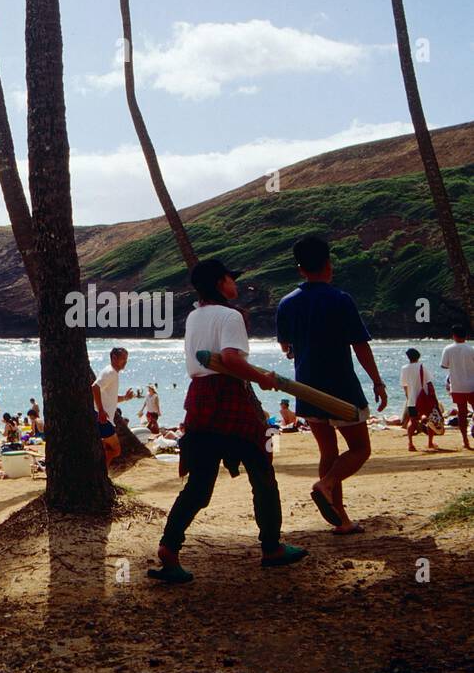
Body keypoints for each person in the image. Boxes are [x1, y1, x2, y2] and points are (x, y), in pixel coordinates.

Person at [150, 259, 306, 583]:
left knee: (199, 483)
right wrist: (262, 378)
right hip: (229, 395)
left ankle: (169, 547)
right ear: (221, 283)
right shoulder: (230, 316)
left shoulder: (194, 316)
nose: (235, 284)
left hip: (199, 398)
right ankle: (272, 547)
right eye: (230, 279)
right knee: (262, 470)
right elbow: (231, 359)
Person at [276, 235, 386, 536]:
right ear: (328, 264)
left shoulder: (287, 303)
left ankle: (341, 520)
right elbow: (360, 345)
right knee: (360, 448)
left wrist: (301, 347)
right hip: (341, 385)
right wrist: (377, 382)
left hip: (306, 387)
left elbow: (286, 346)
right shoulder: (340, 299)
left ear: (300, 269)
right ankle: (325, 485)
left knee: (328, 452)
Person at [92, 348, 132, 464]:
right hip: (103, 418)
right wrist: (101, 411)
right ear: (114, 358)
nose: (125, 362)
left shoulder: (111, 372)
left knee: (106, 449)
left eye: (126, 359)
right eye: (123, 359)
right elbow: (95, 387)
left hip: (103, 417)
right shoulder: (111, 372)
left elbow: (110, 398)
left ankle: (101, 472)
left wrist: (125, 398)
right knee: (116, 450)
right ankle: (101, 472)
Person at [440, 328, 474, 451]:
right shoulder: (471, 349)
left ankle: (465, 440)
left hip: (457, 386)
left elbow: (444, 365)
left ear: (453, 336)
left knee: (462, 413)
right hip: (472, 385)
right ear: (466, 336)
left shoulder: (448, 349)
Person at [400, 348, 439, 453]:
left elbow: (404, 385)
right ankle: (430, 442)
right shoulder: (423, 367)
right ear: (418, 356)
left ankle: (410, 443)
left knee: (412, 420)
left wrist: (408, 397)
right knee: (430, 420)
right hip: (424, 398)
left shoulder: (404, 368)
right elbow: (429, 382)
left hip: (412, 399)